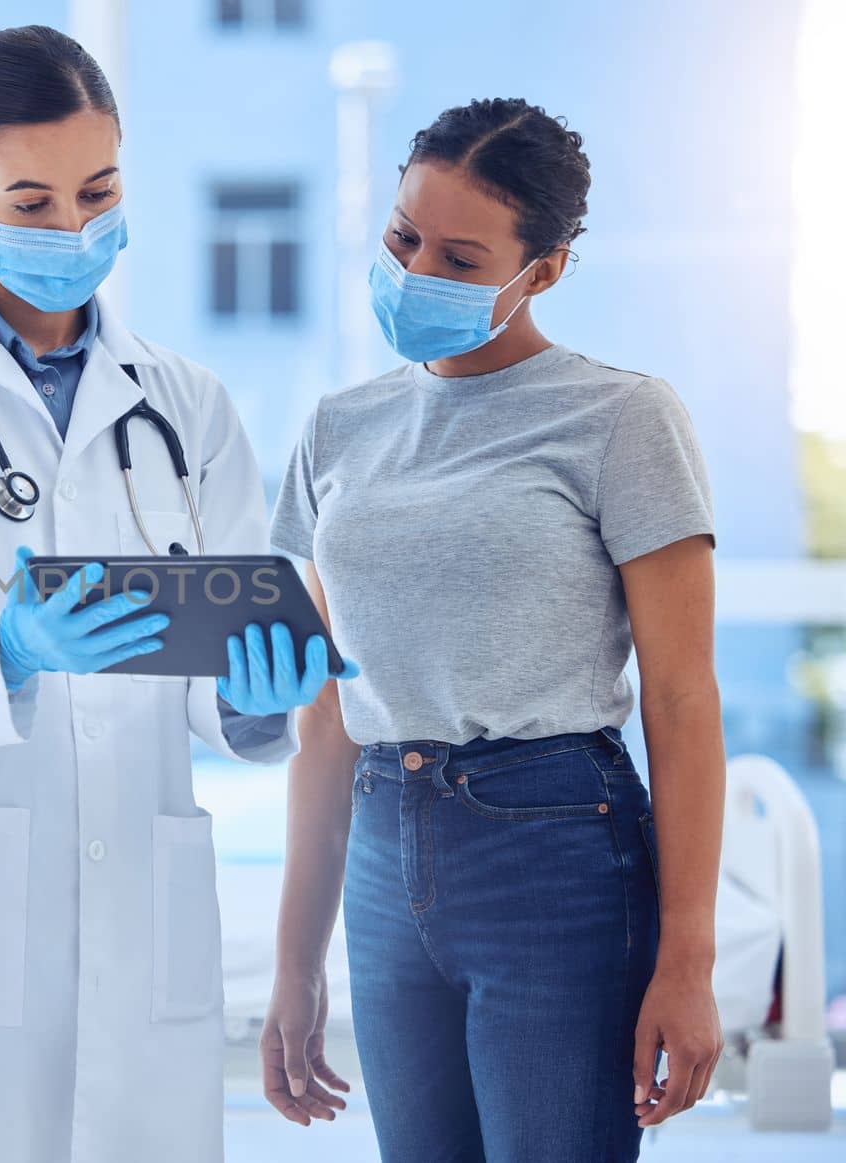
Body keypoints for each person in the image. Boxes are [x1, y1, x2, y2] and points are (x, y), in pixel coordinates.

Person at [0, 25, 353, 1163]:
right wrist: (4, 651)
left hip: (139, 929)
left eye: (97, 191)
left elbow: (213, 658)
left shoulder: (187, 405)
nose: (73, 228)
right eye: (31, 201)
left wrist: (249, 698)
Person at [262, 98, 724, 1162]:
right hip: (384, 846)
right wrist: (295, 961)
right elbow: (325, 713)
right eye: (402, 238)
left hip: (552, 847)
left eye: (461, 258)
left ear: (545, 269)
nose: (417, 271)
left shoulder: (619, 418)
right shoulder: (338, 427)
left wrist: (686, 960)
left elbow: (683, 699)